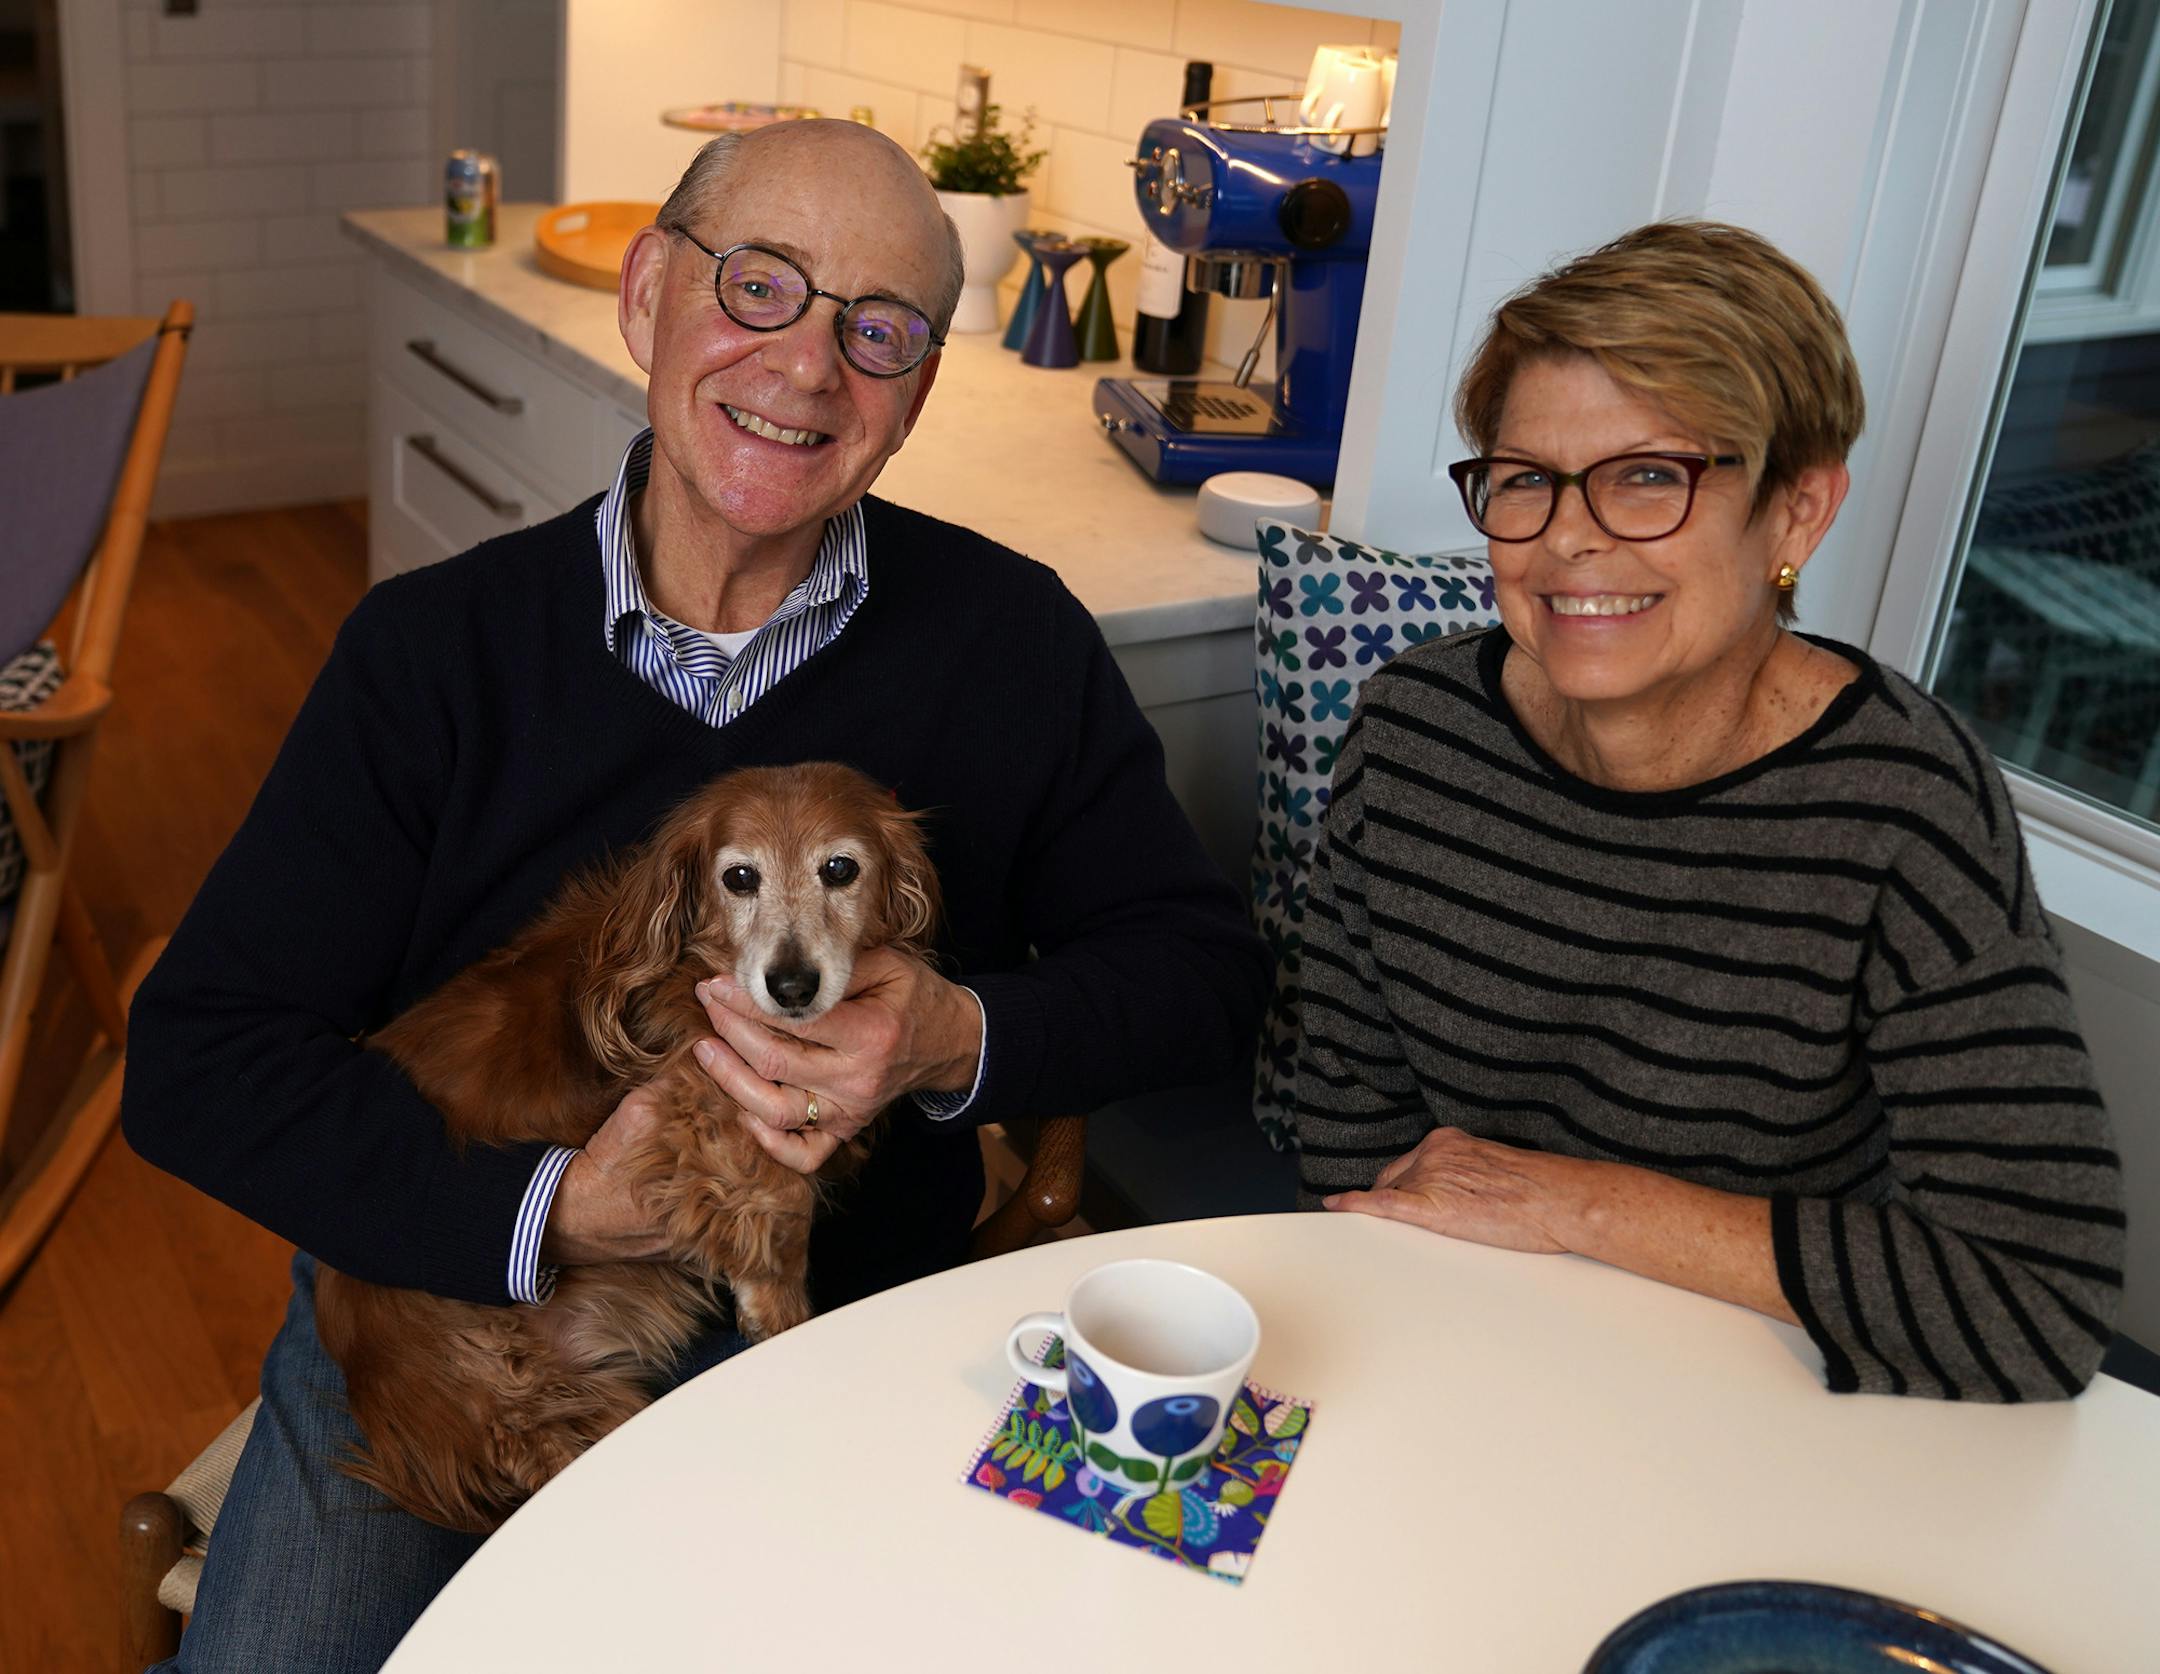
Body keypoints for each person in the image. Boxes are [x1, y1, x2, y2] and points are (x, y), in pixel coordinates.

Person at [122, 120, 1266, 1671]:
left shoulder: (1013, 640)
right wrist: (551, 1209)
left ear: (921, 386)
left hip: (843, 1319)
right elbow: (197, 1060)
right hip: (455, 1295)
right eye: (760, 285)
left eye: (877, 330)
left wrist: (948, 1033)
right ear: (651, 297)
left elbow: (1205, 974)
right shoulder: (432, 655)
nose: (808, 369)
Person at [1294, 220, 2124, 1401]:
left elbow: (2038, 1296)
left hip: (1757, 1384)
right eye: (1526, 478)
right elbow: (1342, 1126)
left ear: (1798, 511)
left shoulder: (1900, 804)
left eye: (1650, 476)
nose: (1568, 539)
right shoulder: (1417, 729)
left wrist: (1578, 1203)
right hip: (1465, 1349)